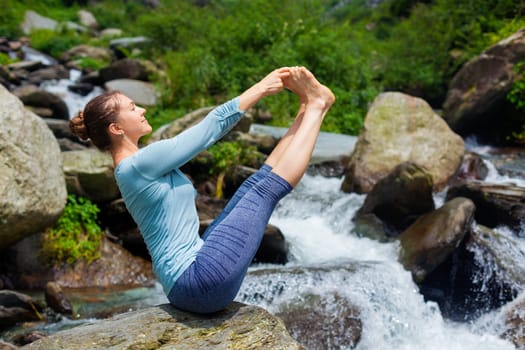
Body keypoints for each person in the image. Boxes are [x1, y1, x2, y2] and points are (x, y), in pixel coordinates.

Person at [70, 66, 335, 314]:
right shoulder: (137, 165)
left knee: (252, 187)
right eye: (131, 107)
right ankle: (316, 106)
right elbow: (211, 128)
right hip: (198, 281)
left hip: (191, 281)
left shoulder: (135, 166)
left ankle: (309, 108)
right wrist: (261, 87)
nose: (141, 109)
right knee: (262, 192)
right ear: (116, 128)